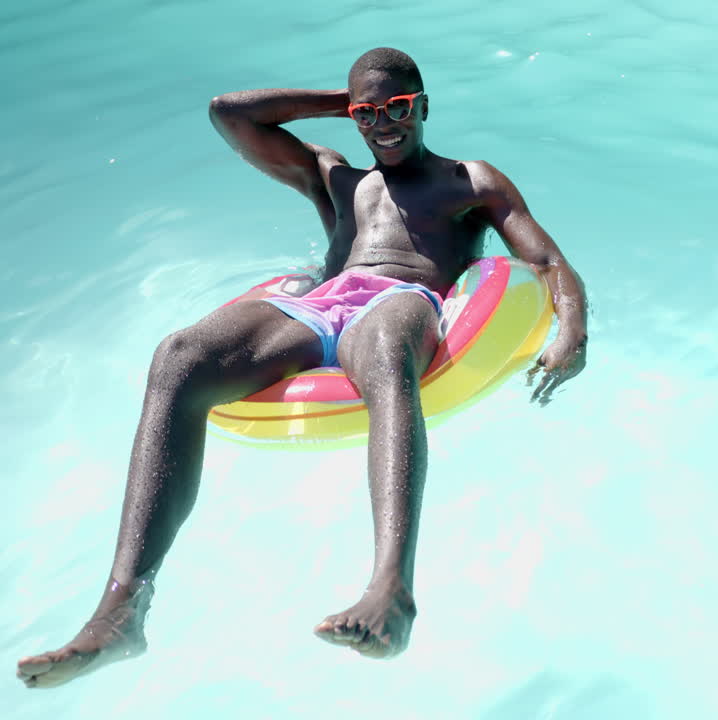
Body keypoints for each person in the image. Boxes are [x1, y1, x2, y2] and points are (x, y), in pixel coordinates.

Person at [16, 47, 588, 689]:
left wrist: (573, 331)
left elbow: (544, 262)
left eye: (398, 108)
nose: (385, 124)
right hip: (322, 304)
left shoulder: (468, 181)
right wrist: (340, 106)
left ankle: (390, 588)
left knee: (382, 346)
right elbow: (228, 114)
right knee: (177, 357)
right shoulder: (337, 178)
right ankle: (120, 612)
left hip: (406, 300)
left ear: (424, 106)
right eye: (369, 113)